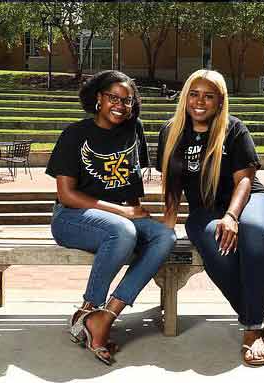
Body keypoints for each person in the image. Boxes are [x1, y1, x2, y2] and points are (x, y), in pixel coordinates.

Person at [156, 69, 264, 367]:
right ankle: (261, 323)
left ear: (219, 101)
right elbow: (172, 183)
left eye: (208, 96)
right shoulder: (170, 131)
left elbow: (245, 179)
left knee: (254, 231)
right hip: (203, 211)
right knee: (216, 249)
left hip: (249, 200)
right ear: (185, 97)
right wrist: (168, 225)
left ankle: (251, 330)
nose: (199, 102)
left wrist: (232, 215)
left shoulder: (233, 129)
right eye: (194, 94)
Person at [45, 70, 177, 366]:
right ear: (97, 99)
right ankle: (88, 307)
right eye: (113, 98)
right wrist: (125, 213)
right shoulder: (75, 134)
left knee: (165, 236)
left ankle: (105, 316)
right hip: (72, 217)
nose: (120, 105)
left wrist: (139, 212)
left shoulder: (134, 128)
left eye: (127, 101)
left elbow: (130, 182)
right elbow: (66, 194)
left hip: (121, 218)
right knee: (123, 230)